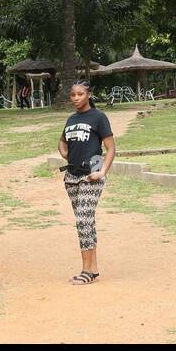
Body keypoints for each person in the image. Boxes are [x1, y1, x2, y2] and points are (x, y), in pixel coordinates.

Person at [57, 80, 115, 285]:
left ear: (89, 95)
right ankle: (94, 268)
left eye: (80, 94)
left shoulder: (98, 117)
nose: (75, 98)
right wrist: (65, 153)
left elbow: (111, 149)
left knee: (83, 220)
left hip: (91, 176)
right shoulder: (71, 119)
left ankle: (86, 271)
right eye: (73, 95)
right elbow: (63, 141)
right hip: (72, 176)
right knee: (85, 222)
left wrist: (102, 171)